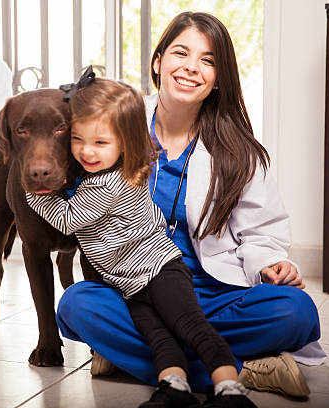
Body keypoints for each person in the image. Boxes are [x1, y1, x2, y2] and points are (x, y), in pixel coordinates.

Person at [54, 11, 324, 399]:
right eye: (181, 53)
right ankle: (245, 370)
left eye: (208, 60)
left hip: (216, 294)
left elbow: (263, 233)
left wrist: (270, 266)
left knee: (295, 311)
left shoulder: (239, 151)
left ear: (219, 81)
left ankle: (140, 358)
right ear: (158, 62)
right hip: (136, 289)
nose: (192, 68)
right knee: (78, 305)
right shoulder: (112, 126)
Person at [26, 73, 257, 407]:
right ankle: (173, 387)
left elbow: (67, 219)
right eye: (77, 139)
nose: (87, 151)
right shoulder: (117, 171)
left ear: (126, 142)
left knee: (193, 327)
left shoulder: (108, 185)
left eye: (100, 143)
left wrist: (35, 191)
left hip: (161, 273)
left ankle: (231, 390)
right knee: (159, 336)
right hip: (131, 284)